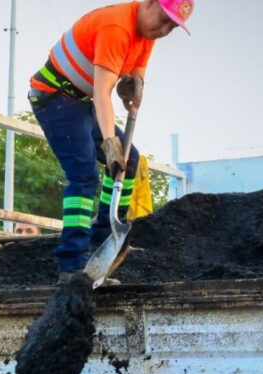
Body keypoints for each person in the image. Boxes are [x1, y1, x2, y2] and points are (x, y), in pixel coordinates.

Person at [28, 0, 192, 282]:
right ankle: (72, 265)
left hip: (80, 101)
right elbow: (102, 92)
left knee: (130, 161)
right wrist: (110, 144)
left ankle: (103, 241)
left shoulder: (146, 36)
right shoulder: (117, 26)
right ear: (149, 3)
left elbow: (135, 78)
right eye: (163, 19)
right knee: (84, 174)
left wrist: (133, 89)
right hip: (54, 95)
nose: (164, 30)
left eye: (172, 27)